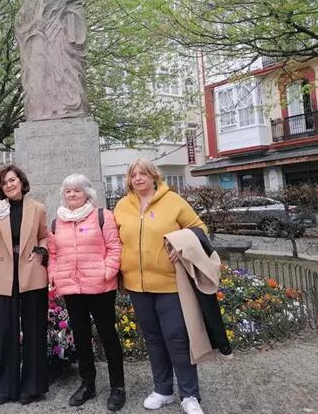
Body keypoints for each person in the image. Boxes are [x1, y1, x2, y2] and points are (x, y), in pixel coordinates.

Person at [114, 158, 208, 414]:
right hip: (137, 285)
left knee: (177, 338)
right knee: (153, 339)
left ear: (153, 176)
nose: (138, 178)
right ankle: (163, 390)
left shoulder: (173, 201)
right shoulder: (122, 206)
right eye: (134, 174)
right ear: (129, 179)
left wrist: (183, 247)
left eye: (143, 173)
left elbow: (199, 229)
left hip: (169, 285)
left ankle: (189, 394)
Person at [47, 174, 126, 411]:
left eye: (77, 190)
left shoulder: (103, 216)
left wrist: (107, 271)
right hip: (72, 287)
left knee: (107, 335)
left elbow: (114, 247)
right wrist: (54, 275)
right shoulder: (56, 222)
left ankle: (117, 386)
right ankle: (87, 384)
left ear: (87, 194)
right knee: (81, 337)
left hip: (100, 286)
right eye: (68, 191)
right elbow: (53, 254)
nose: (72, 194)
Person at [0, 165, 49, 405]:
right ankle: (7, 387)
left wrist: (41, 250)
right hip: (4, 275)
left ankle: (32, 387)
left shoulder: (37, 208)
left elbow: (44, 236)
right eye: (4, 182)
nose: (9, 185)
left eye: (12, 180)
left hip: (31, 273)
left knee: (34, 331)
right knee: (7, 332)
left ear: (21, 182)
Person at [15, 0, 88, 120]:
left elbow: (77, 16)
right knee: (38, 75)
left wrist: (63, 14)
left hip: (59, 39)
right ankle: (40, 110)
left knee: (63, 71)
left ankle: (68, 107)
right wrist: (34, 23)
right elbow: (21, 21)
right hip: (37, 39)